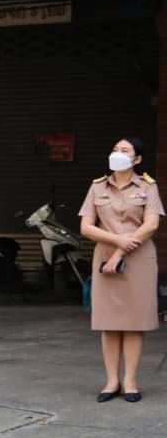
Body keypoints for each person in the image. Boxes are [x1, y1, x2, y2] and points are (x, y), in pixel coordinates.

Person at [79, 137, 163, 403]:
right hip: (105, 259)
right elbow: (86, 227)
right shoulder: (97, 187)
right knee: (109, 322)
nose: (117, 153)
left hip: (138, 260)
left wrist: (120, 251)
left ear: (137, 159)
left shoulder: (148, 187)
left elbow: (151, 225)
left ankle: (130, 382)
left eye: (125, 150)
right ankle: (111, 381)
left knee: (133, 323)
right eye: (115, 149)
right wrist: (117, 241)